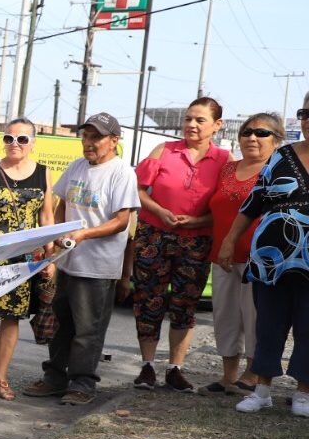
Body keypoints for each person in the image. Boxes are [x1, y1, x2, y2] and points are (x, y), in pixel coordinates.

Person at [23, 113, 139, 405]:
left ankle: (83, 383)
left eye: (96, 137)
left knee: (88, 329)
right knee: (61, 324)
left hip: (98, 266)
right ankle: (55, 378)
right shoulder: (77, 167)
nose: (89, 143)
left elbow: (121, 221)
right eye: (86, 136)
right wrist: (57, 238)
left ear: (114, 141)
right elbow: (61, 206)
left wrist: (84, 235)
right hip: (69, 261)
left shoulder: (121, 172)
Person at [128, 97, 230, 393]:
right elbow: (138, 192)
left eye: (200, 120)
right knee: (148, 301)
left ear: (217, 125)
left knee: (185, 304)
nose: (192, 125)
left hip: (197, 240)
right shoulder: (163, 150)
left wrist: (198, 222)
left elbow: (227, 204)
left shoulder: (225, 160)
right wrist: (160, 211)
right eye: (188, 119)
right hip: (154, 236)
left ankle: (175, 369)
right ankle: (147, 367)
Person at [219, 99, 309, 417]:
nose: (308, 119)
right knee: (269, 324)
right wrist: (230, 240)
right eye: (305, 114)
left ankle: (303, 394)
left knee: (308, 326)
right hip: (272, 258)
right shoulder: (282, 156)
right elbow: (253, 202)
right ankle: (262, 390)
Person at [0, 118, 55, 401]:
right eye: (9, 138)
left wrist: (50, 257)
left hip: (23, 258)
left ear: (33, 143)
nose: (14, 144)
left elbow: (46, 217)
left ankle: (0, 377)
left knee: (12, 318)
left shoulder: (43, 173)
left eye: (22, 139)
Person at [204, 114, 283, 395]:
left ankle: (251, 376)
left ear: (276, 140)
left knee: (255, 319)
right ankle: (228, 375)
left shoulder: (278, 172)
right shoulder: (227, 169)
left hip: (259, 261)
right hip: (223, 257)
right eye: (247, 132)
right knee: (225, 316)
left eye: (261, 133)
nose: (252, 137)